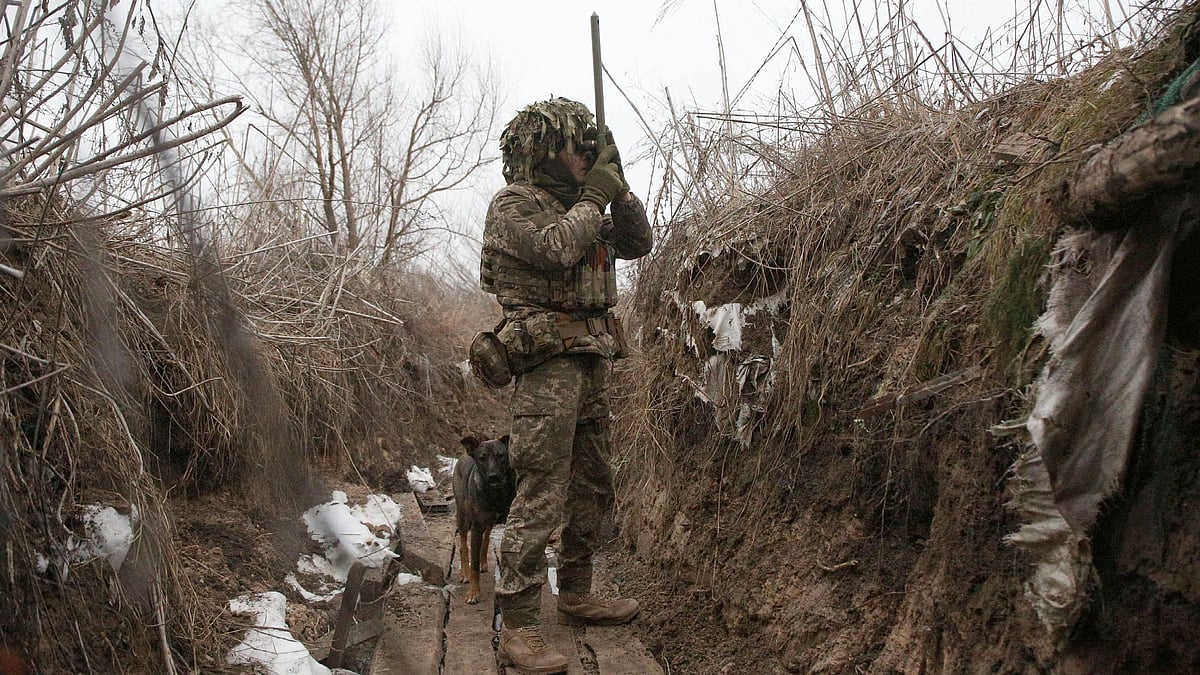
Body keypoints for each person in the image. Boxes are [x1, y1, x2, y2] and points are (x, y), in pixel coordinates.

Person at [479, 97, 653, 674]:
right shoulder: (515, 205)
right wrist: (595, 195)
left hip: (592, 359)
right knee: (540, 489)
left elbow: (639, 242)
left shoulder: (585, 205)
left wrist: (617, 186)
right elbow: (555, 250)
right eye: (574, 145)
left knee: (594, 482)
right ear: (540, 150)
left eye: (589, 144)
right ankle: (520, 624)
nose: (583, 154)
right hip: (546, 365)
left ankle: (576, 591)